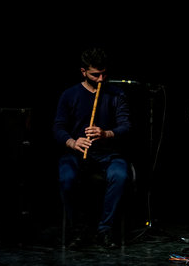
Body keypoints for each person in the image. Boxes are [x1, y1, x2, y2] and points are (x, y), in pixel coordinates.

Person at [53, 47, 131, 249]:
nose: (100, 79)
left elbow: (125, 126)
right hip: (76, 154)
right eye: (95, 74)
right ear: (83, 72)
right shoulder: (70, 94)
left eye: (104, 74)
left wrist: (106, 133)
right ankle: (78, 229)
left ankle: (104, 230)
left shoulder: (116, 94)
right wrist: (73, 142)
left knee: (120, 175)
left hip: (108, 154)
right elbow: (58, 127)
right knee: (66, 178)